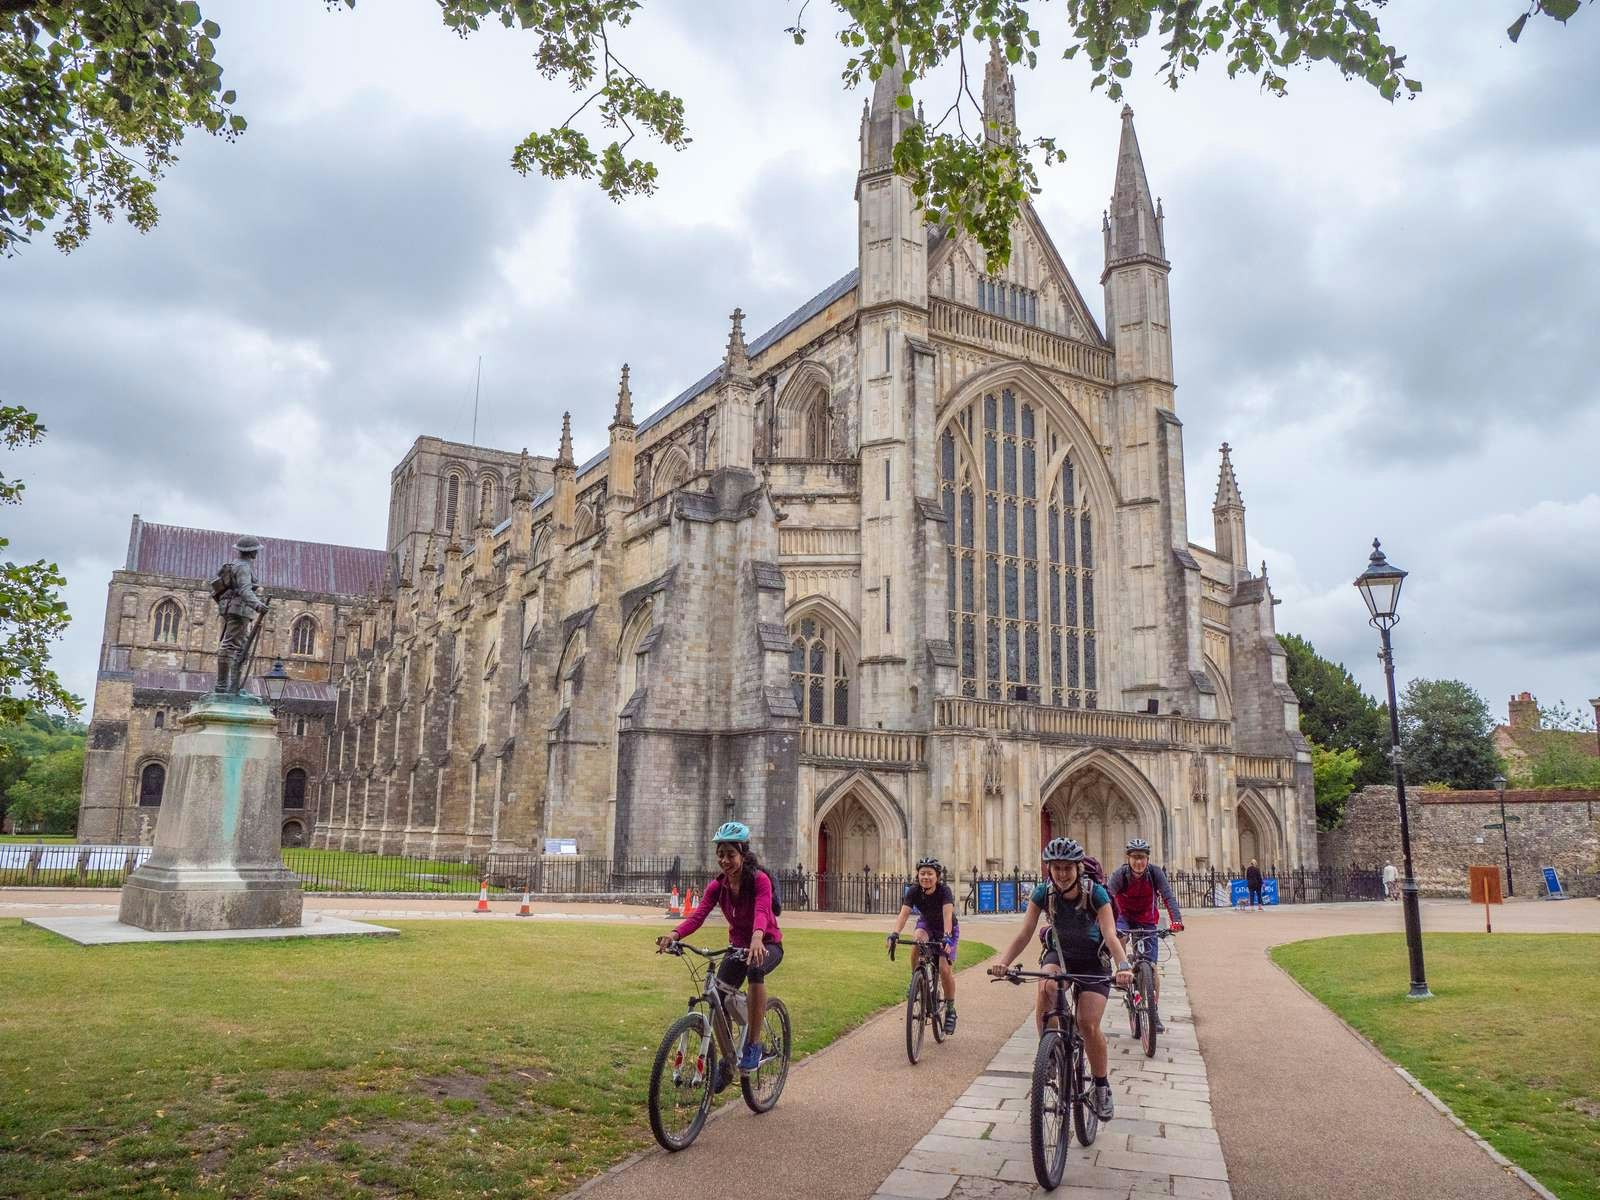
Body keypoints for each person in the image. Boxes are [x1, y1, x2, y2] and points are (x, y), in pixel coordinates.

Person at [988, 837, 1134, 1122]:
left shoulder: (1097, 894)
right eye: (1056, 867)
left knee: (1088, 1023)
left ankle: (1102, 1087)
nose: (1062, 873)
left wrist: (1124, 966)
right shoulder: (1043, 893)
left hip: (1093, 961)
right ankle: (1051, 1053)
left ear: (1078, 868)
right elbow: (1025, 933)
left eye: (1067, 867)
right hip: (1060, 955)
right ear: (1049, 869)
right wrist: (1003, 963)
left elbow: (1110, 935)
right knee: (1046, 985)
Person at [657, 821, 782, 1085]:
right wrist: (674, 935)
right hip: (737, 947)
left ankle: (754, 1044)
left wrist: (758, 938)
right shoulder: (718, 886)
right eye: (721, 855)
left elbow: (762, 911)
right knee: (719, 996)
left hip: (767, 943)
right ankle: (728, 1062)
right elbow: (698, 915)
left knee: (756, 968)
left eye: (730, 854)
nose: (725, 861)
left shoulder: (760, 880)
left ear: (743, 854)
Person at [1106, 837, 1183, 1032]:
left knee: (1153, 968)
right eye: (1135, 857)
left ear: (1148, 859)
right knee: (1118, 936)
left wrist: (1176, 920)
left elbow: (1168, 895)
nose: (1138, 862)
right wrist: (1103, 922)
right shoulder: (1120, 875)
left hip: (1147, 919)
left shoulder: (1155, 873)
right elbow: (1106, 898)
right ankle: (1122, 969)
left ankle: (1153, 1011)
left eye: (1142, 857)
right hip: (1124, 916)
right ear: (1129, 858)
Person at [889, 856, 960, 1035]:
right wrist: (895, 933)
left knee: (944, 969)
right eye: (922, 873)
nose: (925, 877)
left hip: (947, 928)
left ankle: (950, 1009)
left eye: (929, 874)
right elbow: (904, 914)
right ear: (918, 875)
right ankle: (917, 978)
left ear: (937, 876)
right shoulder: (914, 891)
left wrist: (947, 938)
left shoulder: (944, 891)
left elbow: (947, 915)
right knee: (917, 940)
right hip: (927, 924)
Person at [210, 536, 269, 694]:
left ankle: (233, 686)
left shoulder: (237, 564)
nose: (257, 552)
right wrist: (258, 605)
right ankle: (223, 686)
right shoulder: (243, 567)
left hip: (235, 609)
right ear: (251, 552)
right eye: (256, 550)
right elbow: (244, 590)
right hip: (239, 610)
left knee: (241, 648)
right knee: (231, 646)